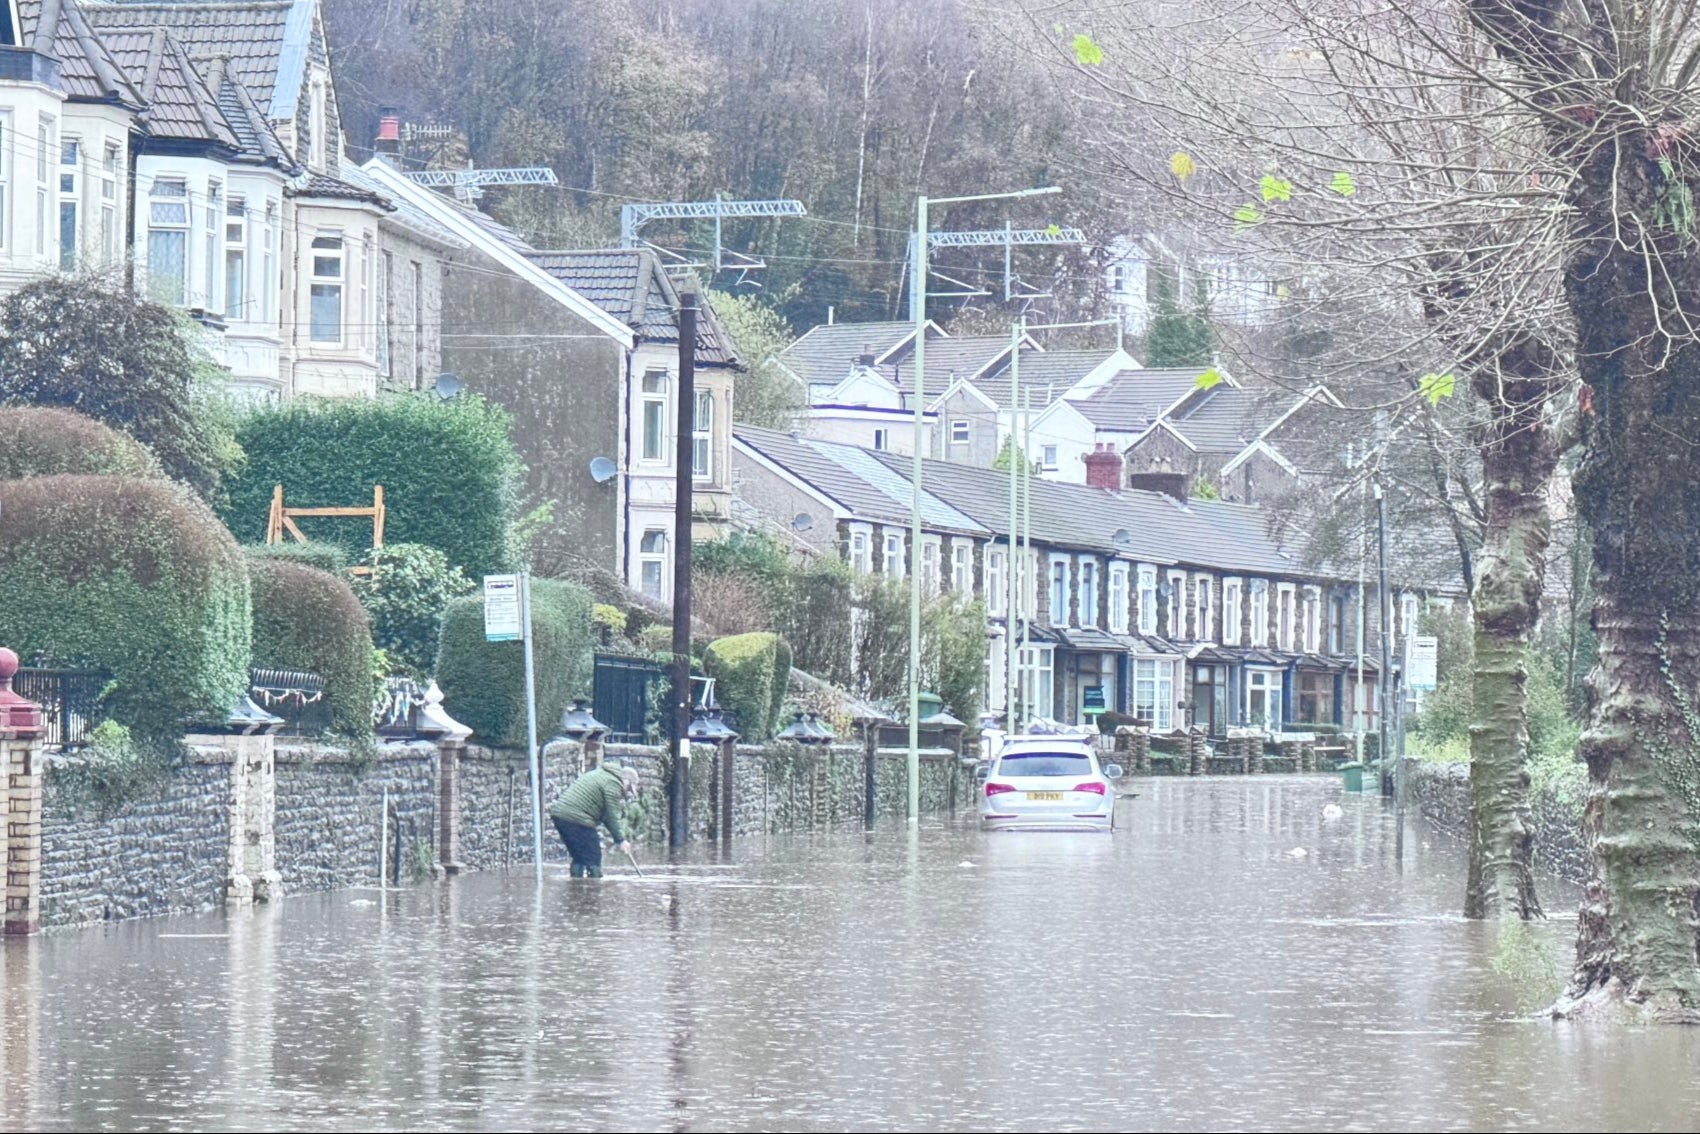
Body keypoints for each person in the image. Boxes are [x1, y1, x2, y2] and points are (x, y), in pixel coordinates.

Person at [548, 760, 640, 878]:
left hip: (560, 816)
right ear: (626, 781)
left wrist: (618, 839)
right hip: (576, 818)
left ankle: (576, 888)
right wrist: (621, 840)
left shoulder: (601, 774)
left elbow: (606, 815)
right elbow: (612, 814)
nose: (626, 792)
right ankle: (595, 889)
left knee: (579, 856)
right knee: (594, 856)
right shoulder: (614, 783)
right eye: (628, 789)